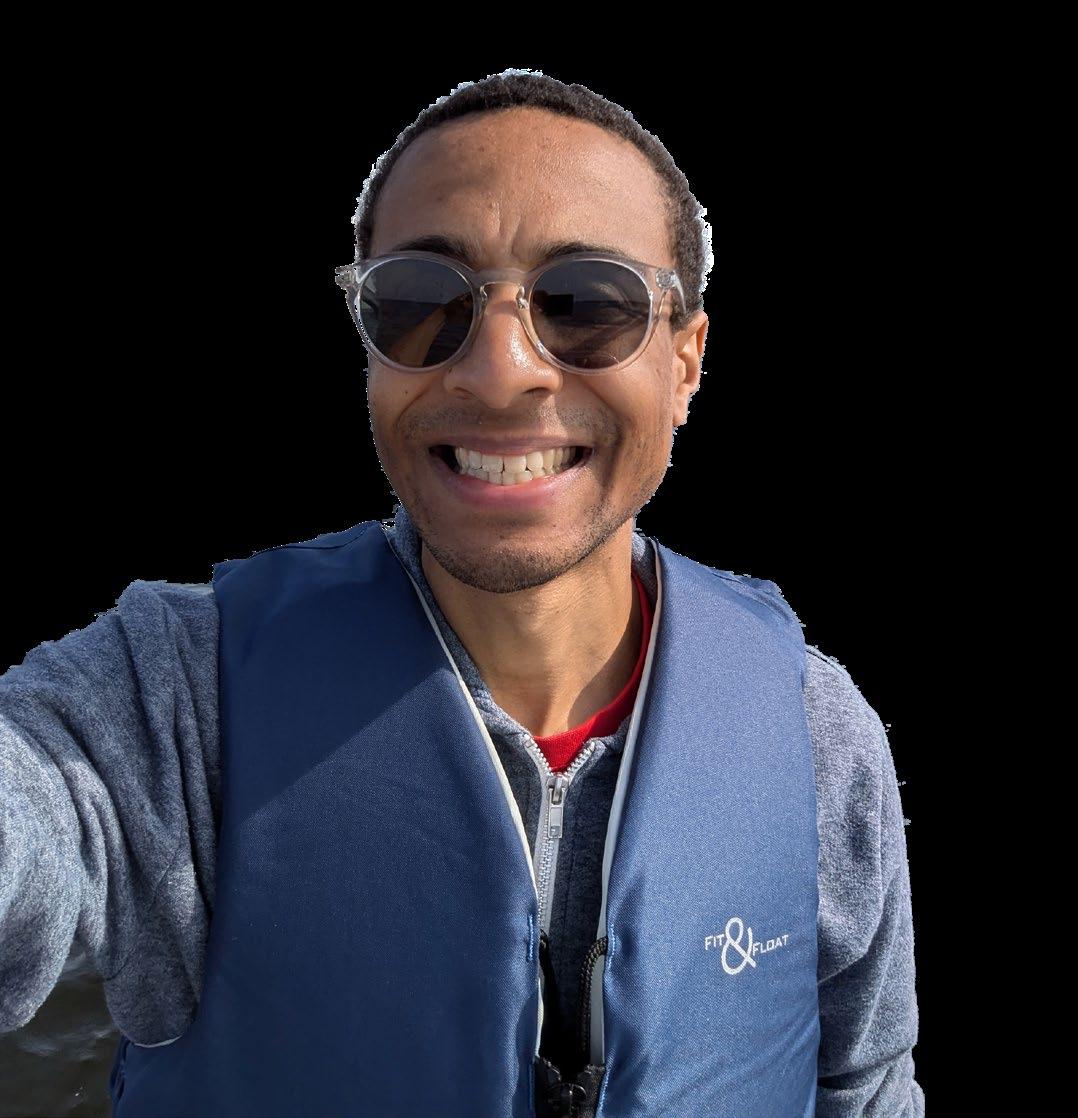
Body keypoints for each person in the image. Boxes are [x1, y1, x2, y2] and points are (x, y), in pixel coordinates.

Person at [0, 69, 923, 1117]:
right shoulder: (173, 701)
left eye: (586, 302)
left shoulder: (816, 735)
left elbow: (865, 1087)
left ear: (683, 362)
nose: (499, 369)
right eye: (420, 302)